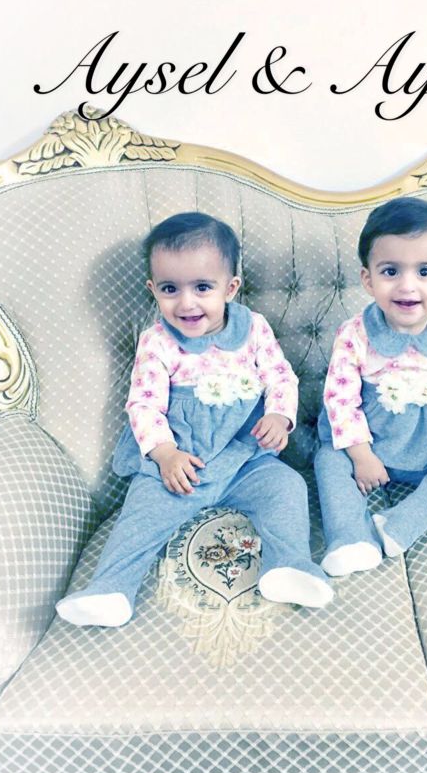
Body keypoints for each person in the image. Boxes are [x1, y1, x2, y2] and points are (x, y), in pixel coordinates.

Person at [57, 212, 333, 627]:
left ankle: (290, 565)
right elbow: (144, 405)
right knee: (141, 514)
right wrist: (165, 454)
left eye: (202, 287)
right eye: (170, 289)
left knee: (287, 488)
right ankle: (111, 589)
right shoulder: (157, 342)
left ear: (230, 288)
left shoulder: (253, 329)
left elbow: (281, 377)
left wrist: (279, 416)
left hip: (244, 459)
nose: (186, 303)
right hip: (180, 466)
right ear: (153, 289)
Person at [315, 197, 427, 577]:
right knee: (328, 460)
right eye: (391, 271)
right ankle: (349, 537)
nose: (407, 286)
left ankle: (399, 524)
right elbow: (340, 400)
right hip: (368, 449)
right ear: (368, 279)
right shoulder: (355, 334)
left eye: (424, 271)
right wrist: (361, 456)